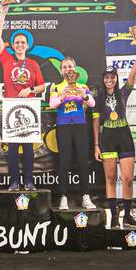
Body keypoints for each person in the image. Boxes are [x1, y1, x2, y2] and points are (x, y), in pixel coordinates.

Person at [92, 44, 136, 228]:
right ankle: (114, 216)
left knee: (128, 179)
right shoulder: (97, 98)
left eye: (112, 77)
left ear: (116, 78)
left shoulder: (124, 92)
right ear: (103, 79)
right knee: (110, 179)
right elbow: (96, 123)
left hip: (124, 137)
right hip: (107, 138)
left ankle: (127, 216)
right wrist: (96, 145)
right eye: (107, 77)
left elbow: (133, 73)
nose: (109, 80)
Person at [0, 3, 46, 191]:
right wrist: (3, 13)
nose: (20, 45)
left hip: (29, 108)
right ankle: (14, 181)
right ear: (13, 45)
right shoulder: (7, 60)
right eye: (17, 42)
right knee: (13, 148)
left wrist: (30, 89)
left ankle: (29, 181)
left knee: (29, 148)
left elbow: (42, 86)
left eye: (23, 42)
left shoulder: (33, 64)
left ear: (27, 45)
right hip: (12, 108)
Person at [49, 57, 97, 210]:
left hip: (80, 126)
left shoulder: (82, 86)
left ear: (75, 70)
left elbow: (92, 103)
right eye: (64, 67)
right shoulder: (56, 87)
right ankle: (63, 198)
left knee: (83, 161)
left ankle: (86, 197)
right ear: (61, 71)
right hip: (63, 127)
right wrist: (61, 96)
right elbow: (52, 104)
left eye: (70, 66)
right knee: (64, 162)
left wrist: (84, 95)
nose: (67, 69)